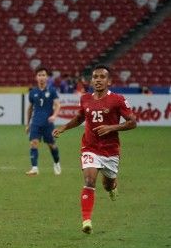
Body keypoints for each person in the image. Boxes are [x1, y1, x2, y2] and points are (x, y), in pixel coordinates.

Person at [52, 65, 137, 234]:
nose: (98, 80)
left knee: (107, 184)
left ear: (109, 81)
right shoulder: (85, 99)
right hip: (90, 147)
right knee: (89, 180)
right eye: (95, 77)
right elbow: (79, 118)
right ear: (91, 80)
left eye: (102, 77)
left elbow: (132, 122)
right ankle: (86, 221)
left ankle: (113, 187)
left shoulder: (118, 99)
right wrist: (64, 127)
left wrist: (111, 128)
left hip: (110, 150)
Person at [25, 67, 62, 176]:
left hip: (48, 123)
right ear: (36, 77)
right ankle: (35, 168)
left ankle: (56, 162)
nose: (41, 77)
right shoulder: (33, 92)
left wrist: (54, 115)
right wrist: (27, 124)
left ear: (47, 77)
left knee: (52, 145)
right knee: (33, 143)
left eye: (43, 75)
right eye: (39, 75)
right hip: (35, 122)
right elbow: (30, 108)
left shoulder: (52, 91)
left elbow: (58, 104)